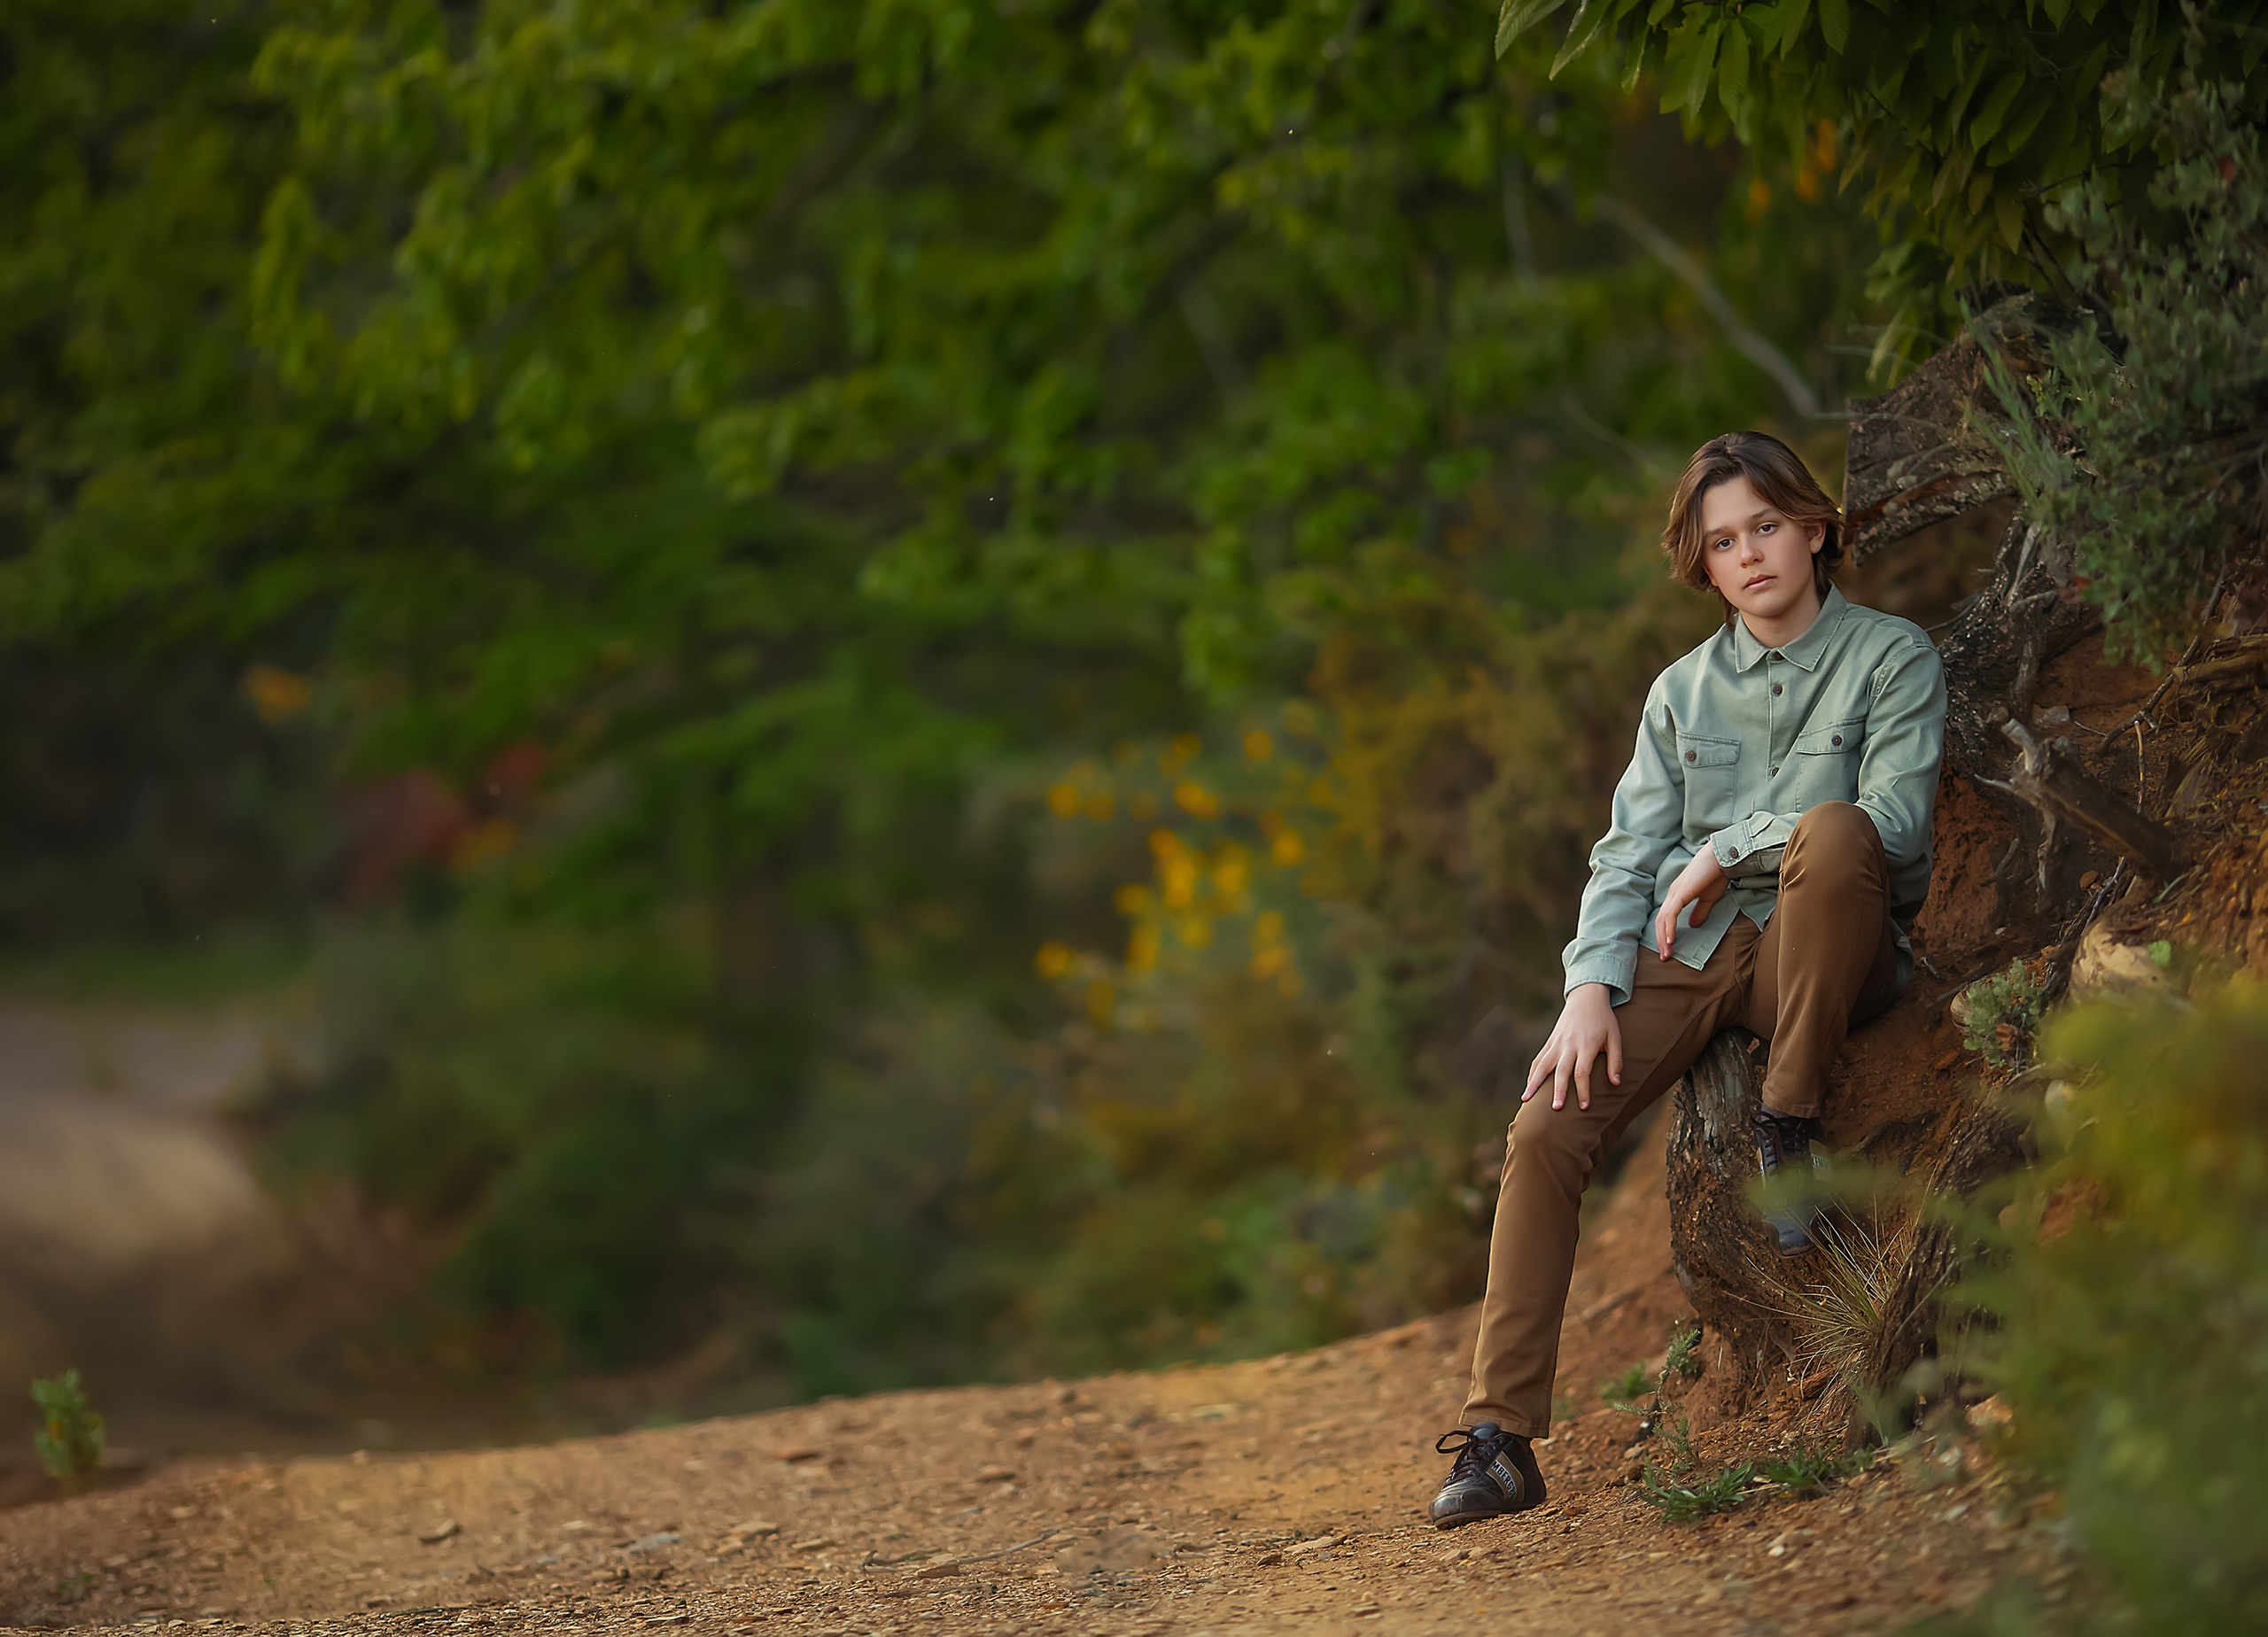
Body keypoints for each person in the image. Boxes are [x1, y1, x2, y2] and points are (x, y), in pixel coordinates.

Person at [1427, 431, 1946, 1529]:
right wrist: (1586, 989)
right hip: (1698, 952)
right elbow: (1626, 855)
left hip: (1827, 951)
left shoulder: (1890, 657)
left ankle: (1789, 1123)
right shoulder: (1680, 693)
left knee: (1841, 827)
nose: (1750, 554)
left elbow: (1894, 828)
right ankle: (1500, 1438)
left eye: (1766, 526)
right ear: (1700, 565)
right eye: (1723, 541)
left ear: (1812, 528)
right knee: (1546, 1126)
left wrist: (1732, 846)